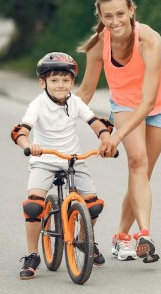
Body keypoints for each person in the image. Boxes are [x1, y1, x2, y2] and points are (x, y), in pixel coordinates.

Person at [76, 0, 161, 263]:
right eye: (108, 16)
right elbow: (86, 91)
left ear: (132, 11)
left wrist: (114, 136)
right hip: (125, 102)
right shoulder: (99, 43)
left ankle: (122, 235)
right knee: (137, 162)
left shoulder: (148, 39)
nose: (115, 21)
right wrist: (54, 115)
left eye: (121, 14)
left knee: (143, 173)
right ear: (100, 16)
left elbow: (148, 102)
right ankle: (144, 234)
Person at [11, 52, 114, 279]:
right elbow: (21, 130)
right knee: (33, 207)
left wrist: (106, 139)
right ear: (43, 82)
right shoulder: (37, 104)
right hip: (44, 160)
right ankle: (32, 255)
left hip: (73, 159)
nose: (60, 85)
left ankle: (83, 239)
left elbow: (95, 122)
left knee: (94, 205)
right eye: (54, 80)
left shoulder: (75, 102)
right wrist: (29, 145)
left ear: (72, 82)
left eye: (66, 80)